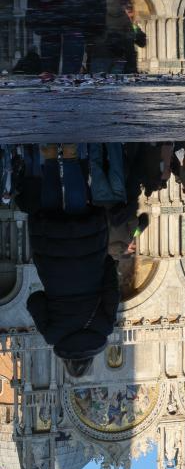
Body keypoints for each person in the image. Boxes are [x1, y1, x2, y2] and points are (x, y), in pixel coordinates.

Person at [16, 144, 120, 374]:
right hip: (53, 263)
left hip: (88, 257)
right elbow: (35, 301)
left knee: (77, 209)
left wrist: (106, 263)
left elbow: (112, 291)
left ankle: (71, 155)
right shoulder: (53, 335)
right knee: (50, 210)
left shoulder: (104, 327)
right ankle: (50, 156)